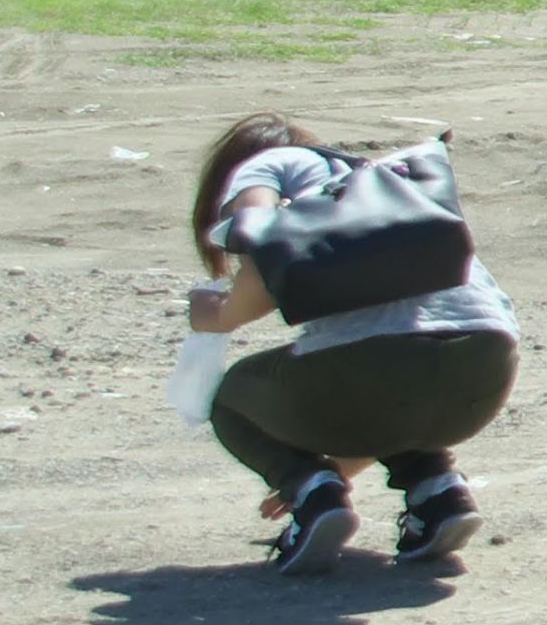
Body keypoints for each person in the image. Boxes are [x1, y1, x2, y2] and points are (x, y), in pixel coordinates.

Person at [182, 114, 522, 574]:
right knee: (387, 389)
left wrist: (216, 316)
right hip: (486, 367)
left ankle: (311, 498)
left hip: (380, 366)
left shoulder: (267, 164)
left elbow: (258, 239)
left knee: (232, 396)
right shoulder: (385, 181)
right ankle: (438, 495)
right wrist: (335, 474)